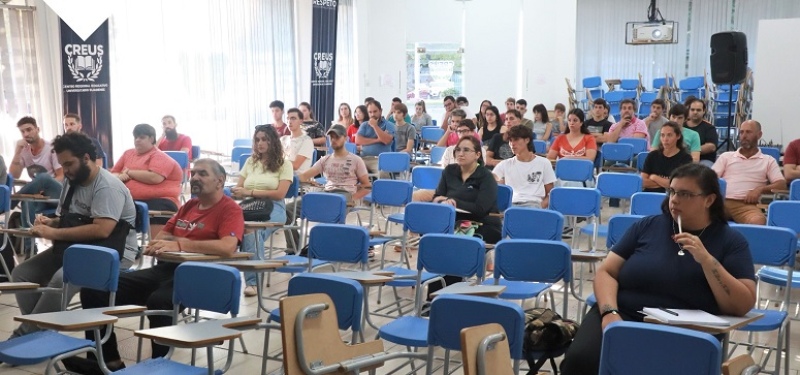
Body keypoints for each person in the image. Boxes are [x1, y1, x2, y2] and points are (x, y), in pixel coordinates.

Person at [560, 163, 756, 375]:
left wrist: (708, 261)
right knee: (580, 361)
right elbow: (606, 272)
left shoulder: (730, 241)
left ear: (709, 200)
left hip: (685, 329)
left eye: (685, 194)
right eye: (672, 191)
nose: (674, 199)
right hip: (624, 314)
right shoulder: (647, 226)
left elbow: (742, 304)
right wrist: (609, 312)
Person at [70, 159, 244, 373]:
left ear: (220, 181)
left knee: (159, 301)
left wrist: (181, 243)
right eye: (194, 173)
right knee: (94, 290)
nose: (195, 177)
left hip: (201, 276)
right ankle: (107, 361)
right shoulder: (189, 206)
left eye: (203, 174)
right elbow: (162, 236)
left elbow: (227, 246)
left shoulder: (230, 209)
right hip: (165, 270)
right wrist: (174, 244)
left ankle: (160, 366)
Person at [8, 132, 136, 340]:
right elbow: (72, 219)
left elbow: (102, 230)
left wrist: (53, 232)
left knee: (62, 278)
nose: (64, 170)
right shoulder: (72, 179)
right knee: (21, 273)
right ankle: (41, 334)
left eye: (69, 164)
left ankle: (24, 337)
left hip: (112, 252)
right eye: (62, 165)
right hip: (77, 247)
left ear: (86, 158)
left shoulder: (107, 186)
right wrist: (51, 222)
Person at [285, 124, 371, 249]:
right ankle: (294, 249)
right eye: (331, 137)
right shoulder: (325, 160)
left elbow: (367, 186)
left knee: (330, 209)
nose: (334, 140)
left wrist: (353, 198)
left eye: (337, 137)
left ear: (345, 138)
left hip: (344, 194)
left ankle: (327, 247)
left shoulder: (356, 160)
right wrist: (287, 181)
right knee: (287, 210)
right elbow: (303, 176)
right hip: (326, 193)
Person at [233, 125, 292, 296]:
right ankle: (253, 276)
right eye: (257, 139)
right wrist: (236, 192)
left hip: (274, 207)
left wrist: (249, 192)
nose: (260, 143)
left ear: (273, 141)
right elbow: (238, 188)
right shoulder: (251, 162)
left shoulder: (284, 164)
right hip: (249, 206)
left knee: (250, 229)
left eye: (265, 139)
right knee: (245, 229)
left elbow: (280, 193)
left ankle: (252, 282)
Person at [111, 124, 183, 238]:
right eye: (136, 137)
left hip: (161, 202)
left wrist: (129, 172)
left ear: (152, 138)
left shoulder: (160, 156)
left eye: (142, 137)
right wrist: (119, 177)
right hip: (129, 200)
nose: (137, 140)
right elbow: (113, 173)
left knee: (156, 209)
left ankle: (157, 248)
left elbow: (154, 178)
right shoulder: (128, 153)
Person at [712, 120, 785, 225]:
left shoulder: (768, 160)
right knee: (696, 216)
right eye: (741, 132)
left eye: (748, 132)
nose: (744, 136)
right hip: (721, 202)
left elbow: (781, 185)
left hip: (746, 205)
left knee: (758, 221)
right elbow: (709, 179)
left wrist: (759, 190)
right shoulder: (726, 156)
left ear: (759, 135)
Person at [10, 116, 64, 254]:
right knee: (27, 203)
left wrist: (43, 185)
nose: (26, 134)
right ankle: (30, 249)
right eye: (23, 132)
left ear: (37, 129)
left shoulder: (51, 148)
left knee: (43, 177)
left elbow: (61, 175)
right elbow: (13, 175)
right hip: (41, 198)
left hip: (58, 194)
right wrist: (17, 152)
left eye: (29, 129)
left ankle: (9, 201)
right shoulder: (24, 151)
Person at [433, 135, 501, 244]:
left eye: (466, 150)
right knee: (430, 230)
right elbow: (436, 198)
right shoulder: (449, 171)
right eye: (458, 150)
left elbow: (480, 209)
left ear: (477, 155)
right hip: (453, 220)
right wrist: (442, 201)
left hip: (482, 223)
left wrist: (452, 200)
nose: (460, 153)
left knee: (458, 239)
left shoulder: (486, 177)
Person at [493, 125, 556, 208]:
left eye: (516, 140)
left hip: (534, 204)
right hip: (511, 205)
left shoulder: (544, 163)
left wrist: (541, 206)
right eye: (510, 140)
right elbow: (490, 182)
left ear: (527, 140)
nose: (512, 144)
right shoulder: (505, 164)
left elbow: (550, 193)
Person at [641, 122, 693, 193]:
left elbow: (680, 185)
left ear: (678, 136)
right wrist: (666, 184)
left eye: (669, 135)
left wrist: (654, 177)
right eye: (662, 135)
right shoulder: (652, 155)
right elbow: (643, 182)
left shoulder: (686, 158)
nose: (665, 139)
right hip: (650, 194)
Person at [355, 100, 396, 174]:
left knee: (382, 174)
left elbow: (386, 140)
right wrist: (378, 140)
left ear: (380, 111)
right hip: (363, 158)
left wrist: (375, 126)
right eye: (370, 112)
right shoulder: (364, 125)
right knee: (350, 171)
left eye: (375, 111)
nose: (372, 114)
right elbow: (358, 140)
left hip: (380, 160)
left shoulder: (389, 125)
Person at [684, 98, 719, 167]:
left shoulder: (709, 128)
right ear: (688, 111)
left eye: (698, 110)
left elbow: (711, 146)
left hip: (704, 160)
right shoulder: (681, 126)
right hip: (683, 159)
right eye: (692, 109)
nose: (695, 112)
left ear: (704, 111)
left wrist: (692, 151)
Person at [281, 108, 314, 174]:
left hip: (298, 180)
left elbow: (295, 166)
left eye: (293, 118)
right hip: (282, 175)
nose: (289, 121)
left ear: (301, 121)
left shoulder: (306, 141)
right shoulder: (283, 139)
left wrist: (275, 162)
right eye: (288, 118)